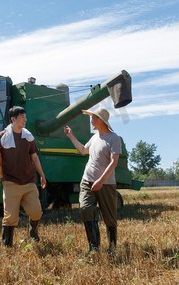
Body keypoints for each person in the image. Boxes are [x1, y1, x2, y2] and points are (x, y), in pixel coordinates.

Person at [64, 107, 121, 254]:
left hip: (106, 183)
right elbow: (83, 150)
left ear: (101, 120)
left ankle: (112, 248)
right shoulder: (95, 137)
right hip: (87, 180)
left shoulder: (114, 138)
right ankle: (94, 248)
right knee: (85, 210)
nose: (91, 121)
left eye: (94, 118)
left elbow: (113, 162)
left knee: (109, 217)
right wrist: (71, 136)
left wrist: (101, 181)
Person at [0, 106, 47, 247]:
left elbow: (34, 158)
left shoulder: (28, 137)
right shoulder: (2, 136)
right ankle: (7, 246)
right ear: (13, 119)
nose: (25, 120)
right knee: (10, 218)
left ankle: (33, 233)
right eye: (22, 118)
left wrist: (42, 175)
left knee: (36, 212)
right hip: (11, 183)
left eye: (25, 117)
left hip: (28, 181)